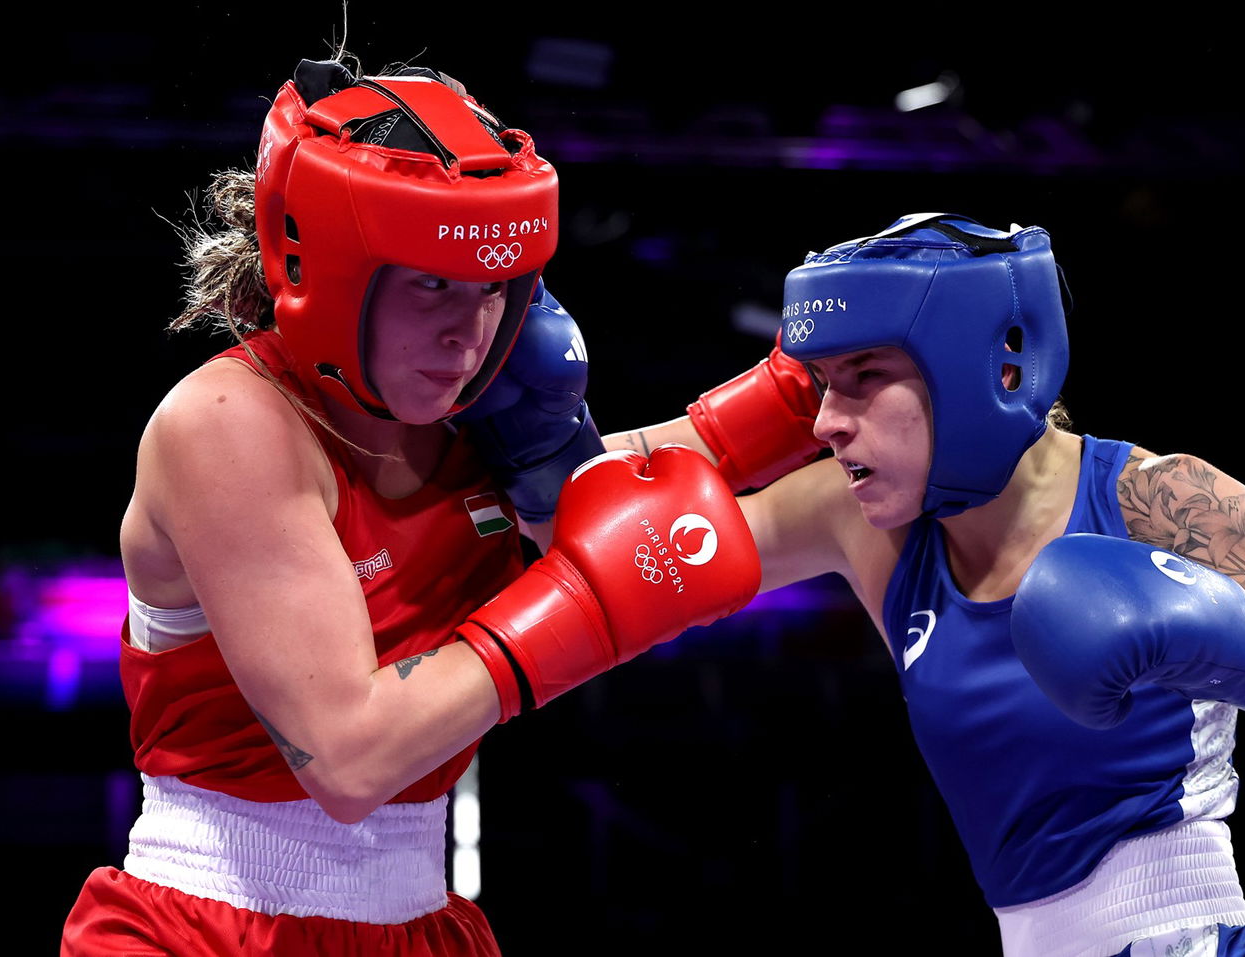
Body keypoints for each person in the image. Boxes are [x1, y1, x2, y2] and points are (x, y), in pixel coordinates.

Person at [60, 58, 759, 956]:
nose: (467, 334)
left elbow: (651, 510)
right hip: (206, 928)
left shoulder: (477, 413)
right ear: (331, 270)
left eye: (492, 288)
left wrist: (803, 397)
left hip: (422, 925)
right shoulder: (230, 425)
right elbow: (348, 758)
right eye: (432, 282)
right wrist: (583, 596)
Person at [615, 213, 1245, 956]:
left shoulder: (1163, 503)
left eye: (863, 376)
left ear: (984, 369)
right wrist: (527, 422)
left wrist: (1241, 646)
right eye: (821, 383)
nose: (827, 419)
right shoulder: (864, 520)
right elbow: (622, 530)